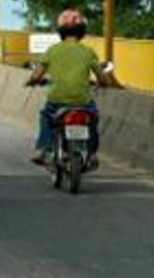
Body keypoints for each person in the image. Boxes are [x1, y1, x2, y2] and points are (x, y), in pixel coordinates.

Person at [25, 9, 111, 167]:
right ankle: (91, 154)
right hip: (82, 102)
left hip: (57, 100)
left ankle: (46, 149)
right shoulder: (88, 52)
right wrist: (104, 83)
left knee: (47, 117)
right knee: (92, 122)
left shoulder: (53, 50)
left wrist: (32, 81)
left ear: (61, 31)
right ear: (82, 31)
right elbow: (102, 78)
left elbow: (36, 75)